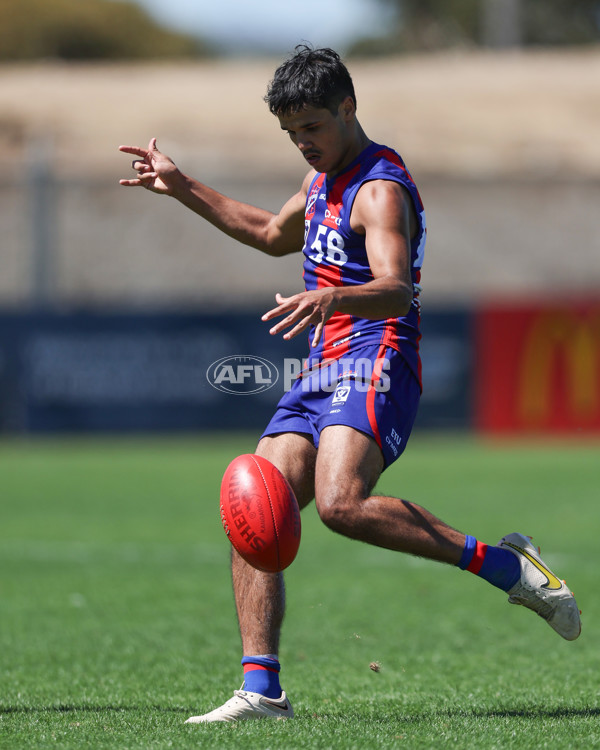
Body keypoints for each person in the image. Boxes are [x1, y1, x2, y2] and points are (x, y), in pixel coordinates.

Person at [119, 45, 581, 723]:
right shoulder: (319, 183)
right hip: (320, 366)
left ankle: (509, 568)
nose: (303, 143)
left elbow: (396, 290)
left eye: (312, 127)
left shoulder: (377, 189)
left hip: (378, 355)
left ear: (347, 108)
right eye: (291, 133)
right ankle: (262, 689)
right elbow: (271, 233)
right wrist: (182, 185)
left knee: (341, 505)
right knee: (255, 509)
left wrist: (333, 300)